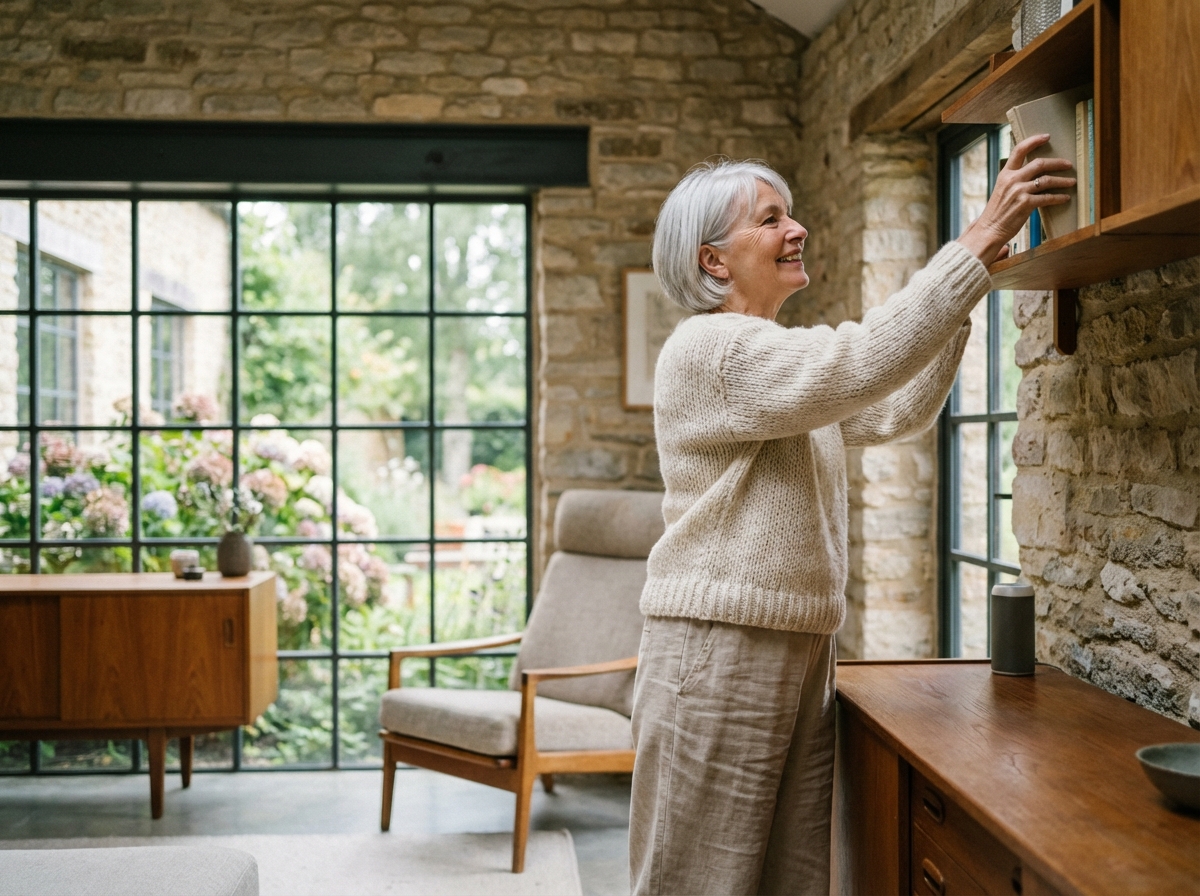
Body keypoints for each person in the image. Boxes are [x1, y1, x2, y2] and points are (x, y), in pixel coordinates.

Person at [629, 138, 1073, 896]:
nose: (796, 229)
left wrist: (965, 295)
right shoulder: (712, 352)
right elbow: (861, 361)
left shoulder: (772, 364)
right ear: (714, 261)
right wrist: (969, 247)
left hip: (793, 646)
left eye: (791, 214)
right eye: (772, 220)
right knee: (695, 882)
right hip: (721, 650)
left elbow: (891, 405)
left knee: (790, 879)